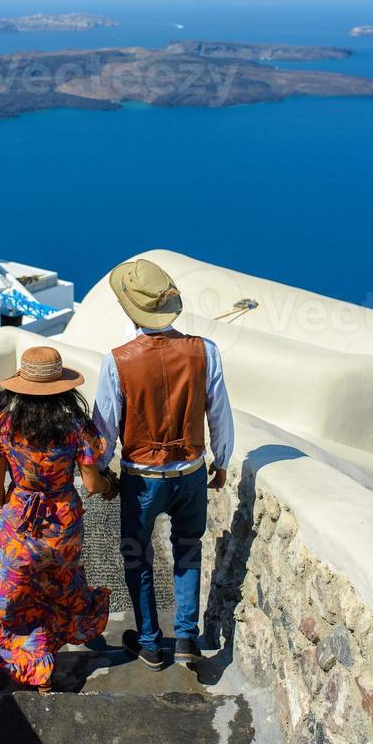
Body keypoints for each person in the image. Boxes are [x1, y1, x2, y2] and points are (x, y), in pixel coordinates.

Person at [93, 258, 234, 672]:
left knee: (138, 558)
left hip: (142, 480)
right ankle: (187, 638)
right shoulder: (205, 351)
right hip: (190, 473)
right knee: (188, 550)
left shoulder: (117, 360)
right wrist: (221, 461)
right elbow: (220, 414)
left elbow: (105, 425)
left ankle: (152, 643)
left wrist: (101, 470)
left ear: (129, 309)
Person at [0, 345, 116, 693]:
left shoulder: (4, 422)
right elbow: (93, 483)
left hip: (20, 516)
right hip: (64, 521)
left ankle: (31, 665)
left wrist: (7, 502)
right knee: (56, 588)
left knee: (11, 594)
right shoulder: (76, 425)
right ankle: (45, 664)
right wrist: (111, 484)